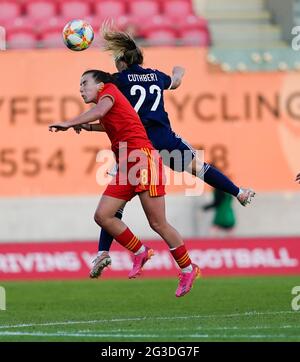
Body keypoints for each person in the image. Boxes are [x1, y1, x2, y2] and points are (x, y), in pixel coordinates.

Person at [77, 25, 255, 278]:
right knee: (199, 168)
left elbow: (114, 118)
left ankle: (103, 251)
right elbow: (177, 81)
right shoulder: (155, 76)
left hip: (136, 144)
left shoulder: (116, 81)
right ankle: (239, 192)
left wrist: (84, 124)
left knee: (116, 204)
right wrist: (178, 71)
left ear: (121, 61)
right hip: (163, 138)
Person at [49, 69, 200, 298]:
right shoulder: (109, 102)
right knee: (103, 216)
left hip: (143, 159)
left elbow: (99, 111)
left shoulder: (108, 92)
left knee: (158, 223)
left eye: (84, 83)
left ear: (100, 84)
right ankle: (140, 252)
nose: (80, 89)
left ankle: (188, 269)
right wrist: (87, 126)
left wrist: (70, 122)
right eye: (79, 85)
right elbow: (107, 121)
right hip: (127, 163)